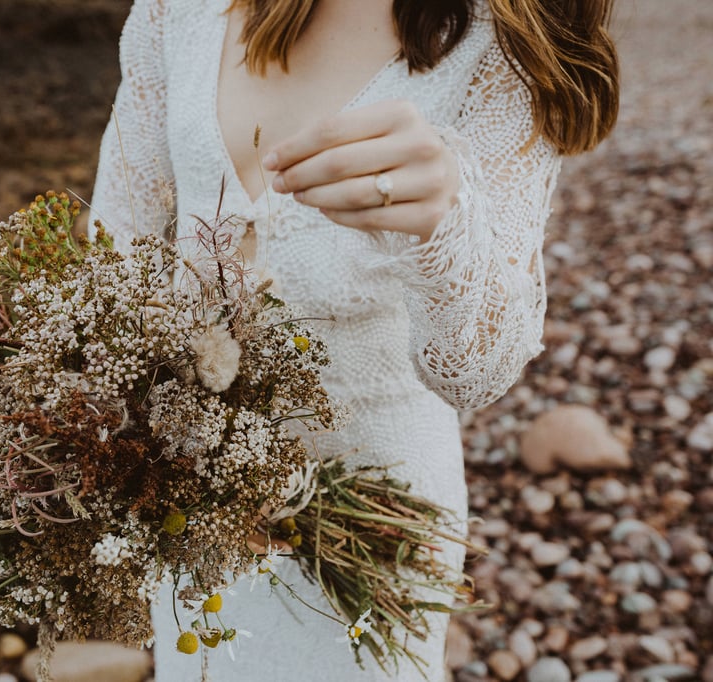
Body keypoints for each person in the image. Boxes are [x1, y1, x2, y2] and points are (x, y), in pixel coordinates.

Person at [89, 0, 618, 679]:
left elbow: (477, 373)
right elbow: (114, 254)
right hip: (187, 503)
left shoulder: (505, 38)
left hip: (373, 524)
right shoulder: (178, 10)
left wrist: (444, 225)